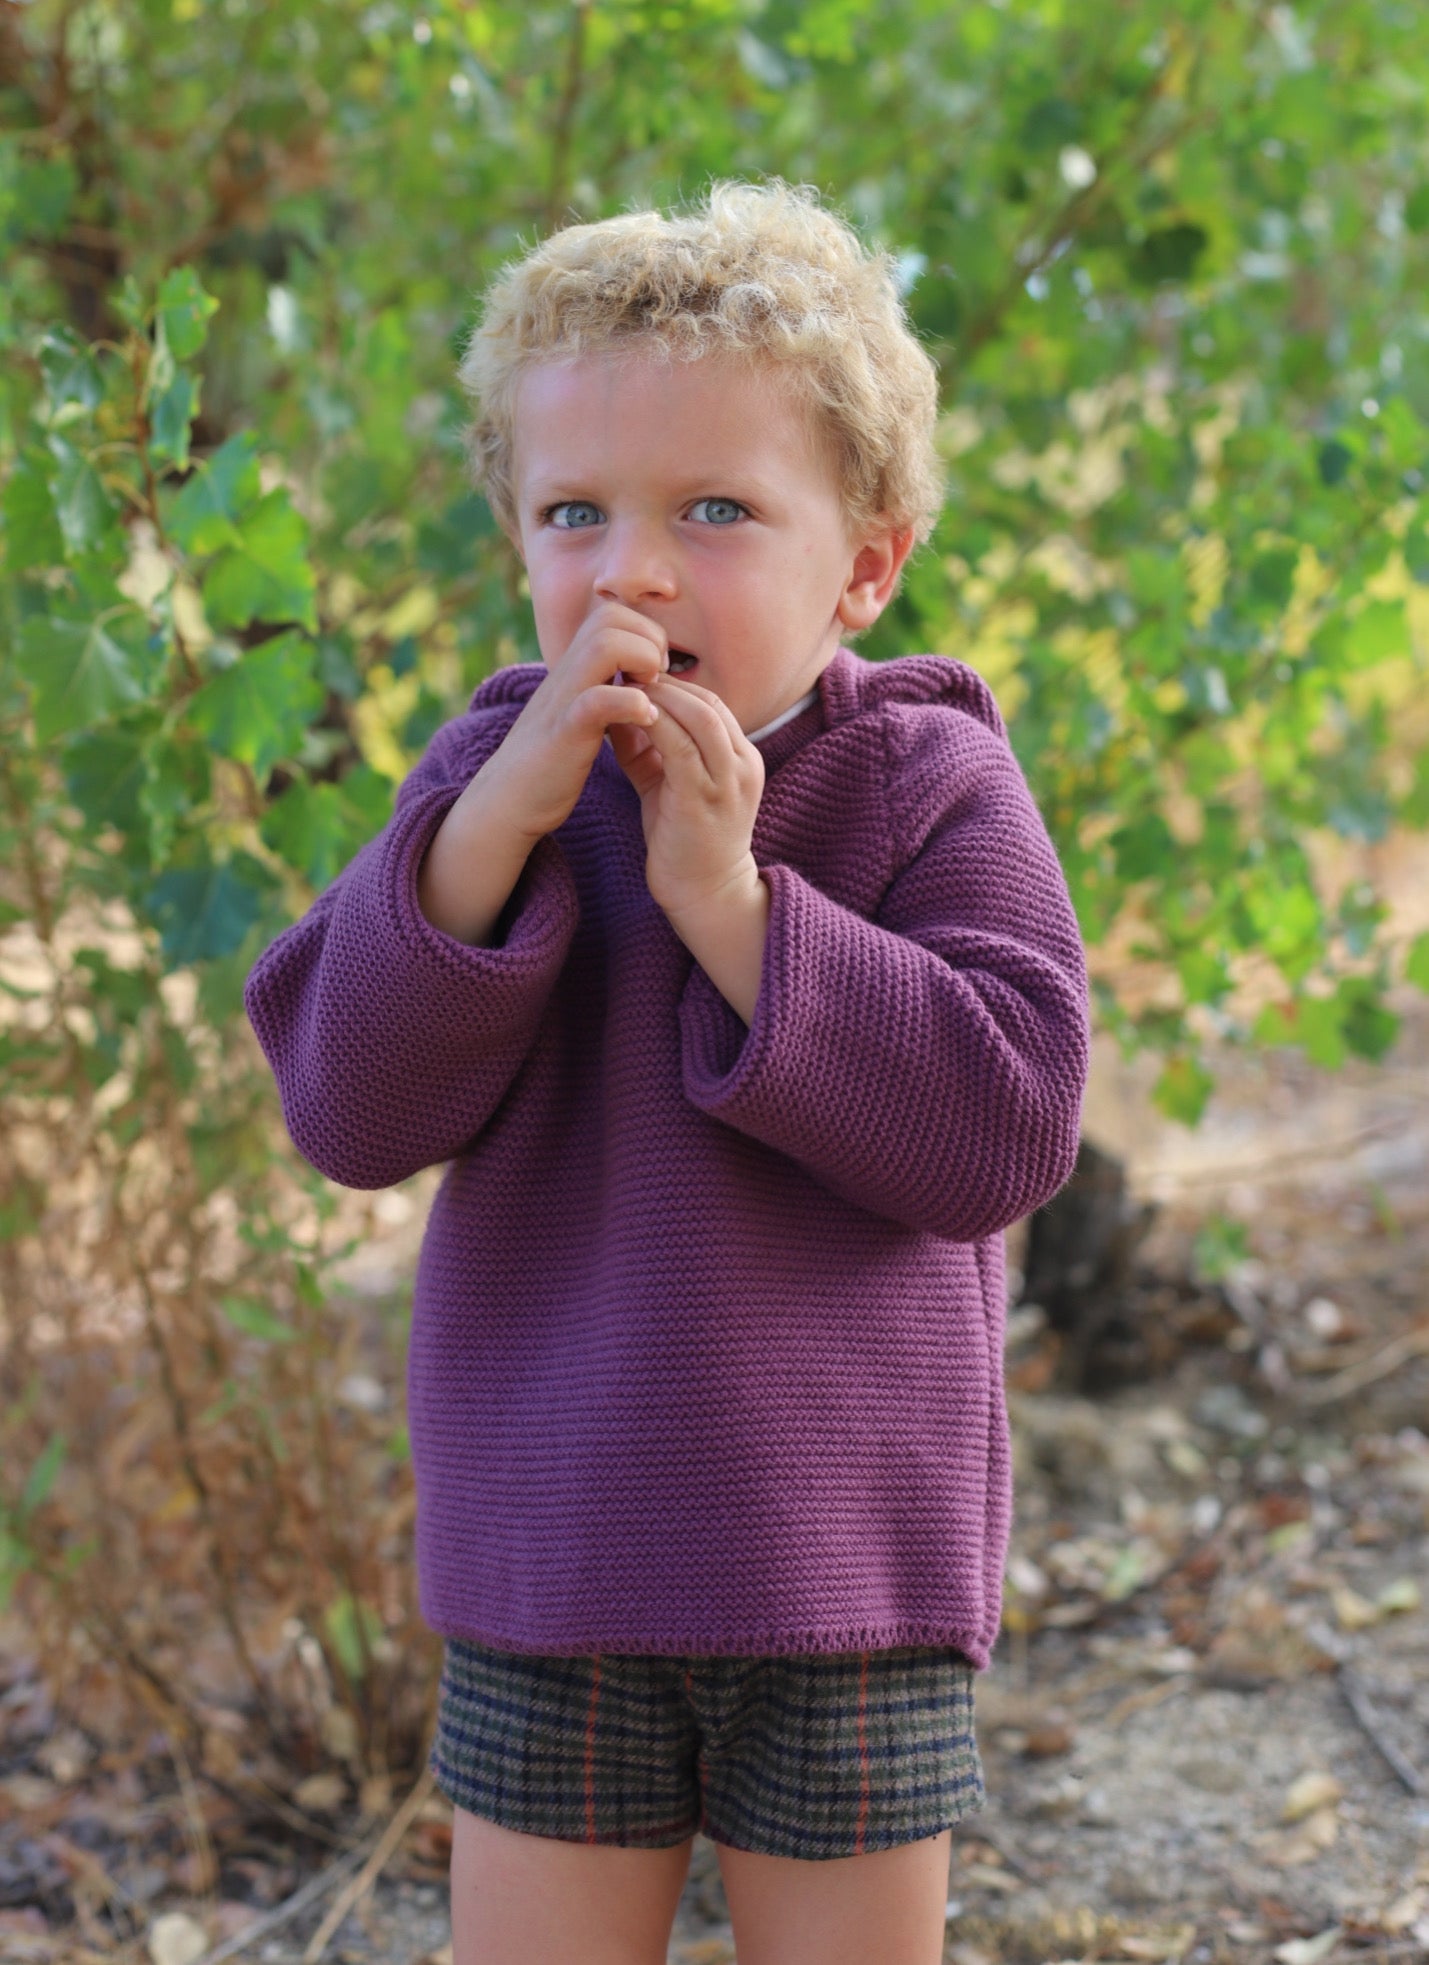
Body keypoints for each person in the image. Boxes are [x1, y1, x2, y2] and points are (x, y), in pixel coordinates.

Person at [244, 179, 1090, 1965]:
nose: (630, 567)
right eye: (576, 513)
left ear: (863, 559)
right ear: (519, 547)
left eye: (714, 508)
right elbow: (346, 1106)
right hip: (555, 1560)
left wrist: (729, 900)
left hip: (845, 1575)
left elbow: (1005, 1122)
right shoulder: (491, 784)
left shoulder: (926, 779)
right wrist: (481, 846)